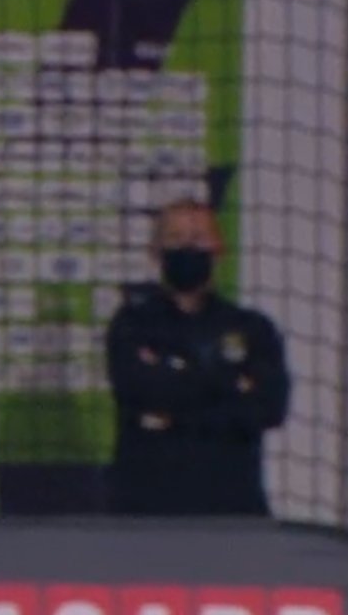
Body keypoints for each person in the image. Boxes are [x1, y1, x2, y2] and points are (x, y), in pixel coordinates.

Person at [105, 197, 289, 515]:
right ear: (155, 251)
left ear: (219, 249)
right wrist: (228, 386)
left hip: (233, 510)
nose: (187, 248)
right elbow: (137, 390)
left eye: (198, 238)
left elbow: (269, 408)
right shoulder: (132, 325)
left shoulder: (252, 329)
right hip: (146, 511)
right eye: (175, 238)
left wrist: (173, 412)